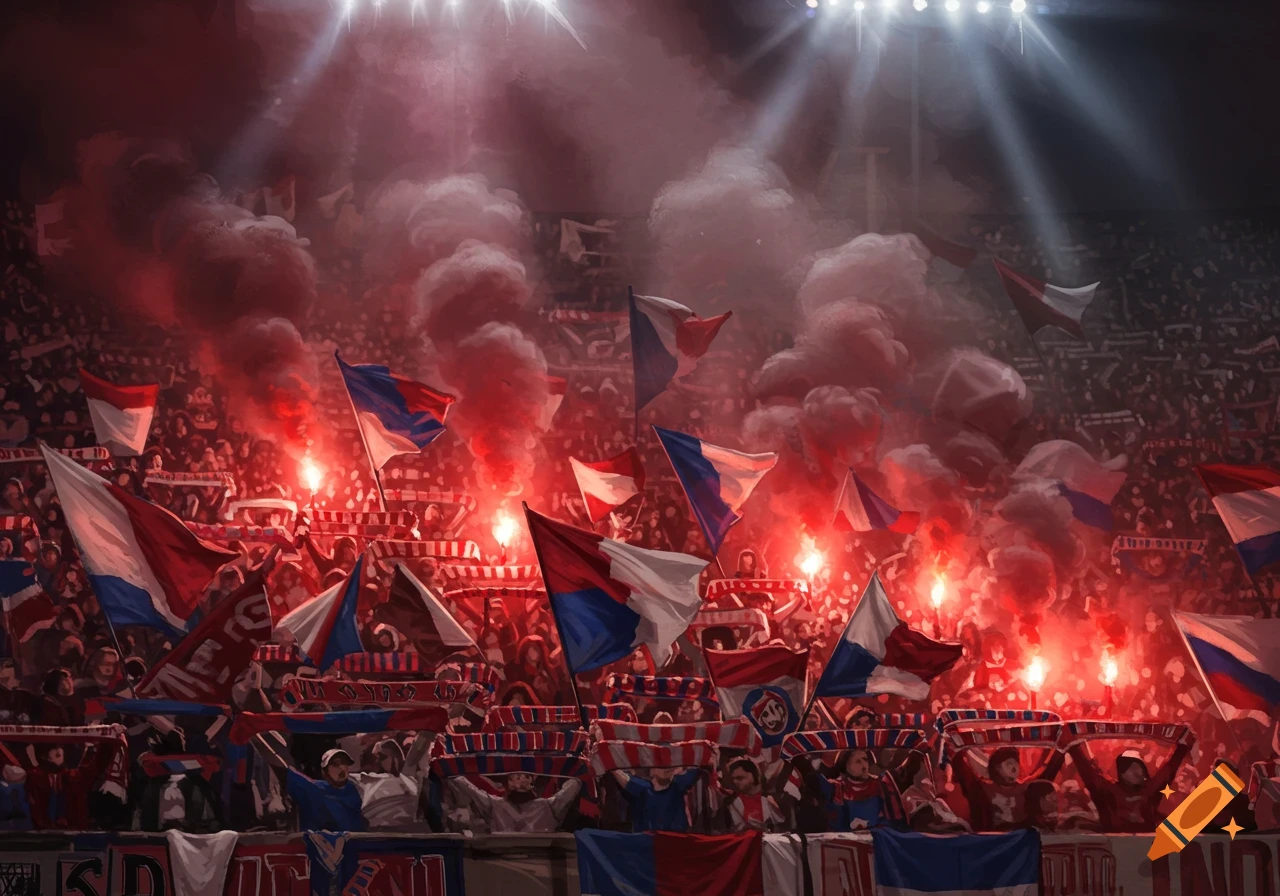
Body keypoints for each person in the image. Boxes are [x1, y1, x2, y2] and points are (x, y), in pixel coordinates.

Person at [1067, 738, 1195, 833]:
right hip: (1115, 848)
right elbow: (1089, 771)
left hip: (1146, 849)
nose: (1137, 772)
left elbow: (1169, 769)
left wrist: (1183, 745)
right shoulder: (1108, 790)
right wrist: (1073, 745)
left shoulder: (1149, 790)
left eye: (1139, 767)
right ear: (1122, 772)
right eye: (1131, 768)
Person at [255, 740, 366, 832]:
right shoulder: (315, 789)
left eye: (344, 763)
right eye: (335, 764)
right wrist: (254, 736)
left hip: (357, 847)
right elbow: (282, 768)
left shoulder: (355, 788)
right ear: (324, 772)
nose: (341, 768)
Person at [951, 743, 1065, 831]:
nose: (1014, 768)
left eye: (1015, 763)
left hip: (1021, 835)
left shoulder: (1027, 788)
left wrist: (1060, 750)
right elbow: (963, 771)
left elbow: (1049, 770)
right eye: (1008, 764)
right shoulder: (983, 788)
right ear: (997, 768)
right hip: (994, 837)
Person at [447, 771, 582, 833]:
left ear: (532, 781)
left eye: (525, 777)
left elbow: (575, 784)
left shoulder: (547, 806)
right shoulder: (495, 804)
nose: (519, 783)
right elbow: (466, 786)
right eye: (514, 778)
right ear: (508, 783)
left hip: (542, 861)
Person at [346, 737, 432, 828]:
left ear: (395, 756)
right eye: (377, 758)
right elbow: (348, 777)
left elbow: (419, 748)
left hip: (407, 829)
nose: (378, 761)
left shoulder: (409, 778)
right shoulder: (370, 779)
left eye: (382, 757)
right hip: (377, 829)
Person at [805, 749, 884, 831]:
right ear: (846, 766)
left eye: (865, 760)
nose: (864, 766)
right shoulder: (835, 787)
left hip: (876, 838)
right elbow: (816, 779)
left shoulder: (880, 785)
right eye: (858, 761)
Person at [612, 766, 701, 832]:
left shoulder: (677, 786)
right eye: (662, 765)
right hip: (648, 847)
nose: (668, 766)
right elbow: (623, 778)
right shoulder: (642, 789)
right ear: (651, 771)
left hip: (676, 845)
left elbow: (700, 765)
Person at [721, 758, 783, 832]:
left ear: (753, 776)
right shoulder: (729, 802)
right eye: (733, 778)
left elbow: (782, 827)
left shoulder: (771, 799)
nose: (735, 782)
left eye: (740, 778)